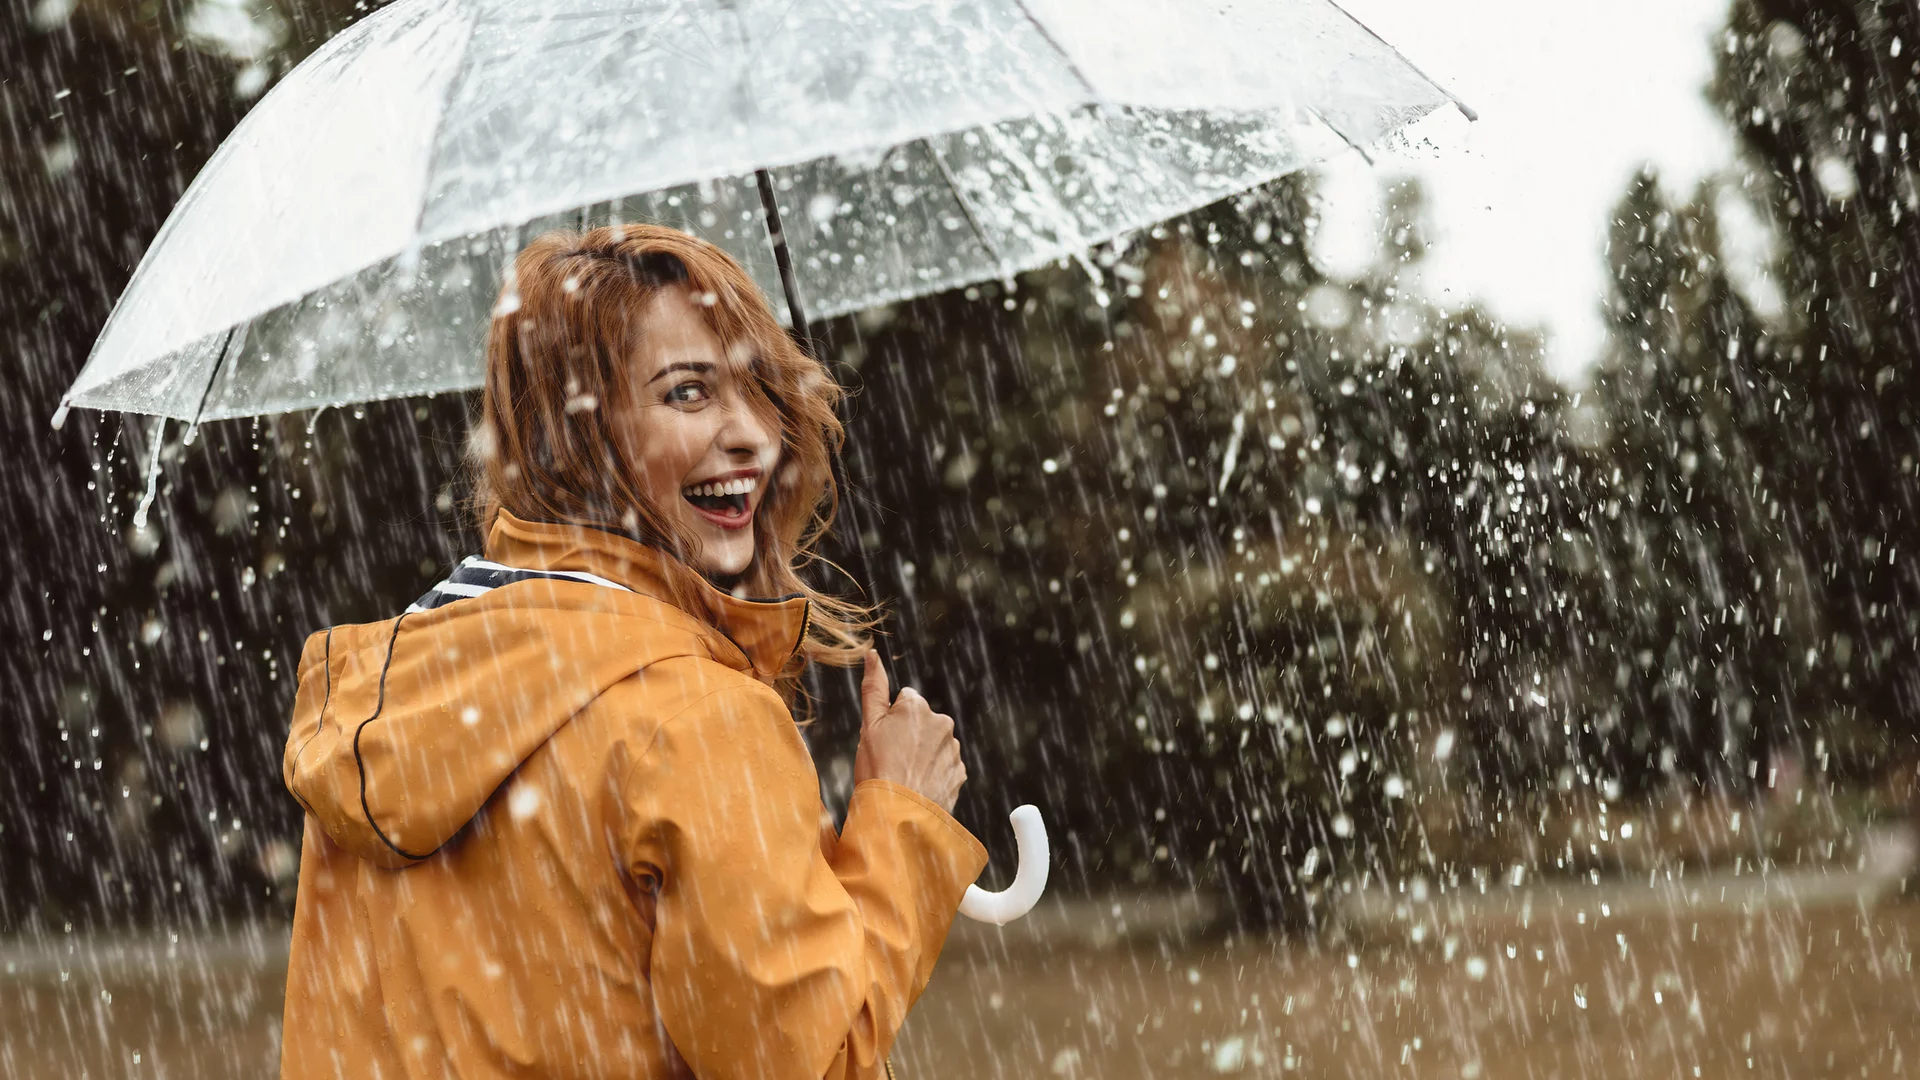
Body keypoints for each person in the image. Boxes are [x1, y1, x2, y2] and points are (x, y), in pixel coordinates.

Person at [277, 224, 985, 1079]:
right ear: (574, 436)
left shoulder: (394, 695)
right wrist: (899, 828)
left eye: (760, 388)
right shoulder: (694, 721)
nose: (754, 436)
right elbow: (811, 1064)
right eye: (688, 393)